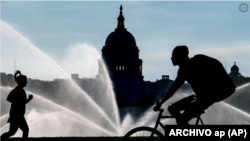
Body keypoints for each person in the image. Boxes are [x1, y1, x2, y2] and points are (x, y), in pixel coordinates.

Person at [153, 45, 236, 125]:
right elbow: (173, 88)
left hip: (214, 93)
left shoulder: (198, 60)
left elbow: (216, 64)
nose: (171, 58)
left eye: (174, 55)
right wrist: (161, 102)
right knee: (172, 108)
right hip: (201, 96)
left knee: (181, 120)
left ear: (181, 56)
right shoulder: (183, 71)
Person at [0, 70, 33, 141]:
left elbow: (23, 102)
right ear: (22, 82)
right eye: (25, 81)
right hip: (17, 115)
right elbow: (9, 98)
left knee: (12, 132)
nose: (26, 82)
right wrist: (18, 102)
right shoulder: (18, 90)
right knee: (25, 130)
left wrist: (28, 99)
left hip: (17, 114)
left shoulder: (20, 90)